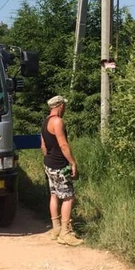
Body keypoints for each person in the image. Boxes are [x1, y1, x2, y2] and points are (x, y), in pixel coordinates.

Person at [41, 95, 81, 246]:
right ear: (60, 106)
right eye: (64, 106)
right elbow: (63, 145)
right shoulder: (58, 122)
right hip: (59, 165)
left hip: (49, 163)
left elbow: (43, 146)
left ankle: (56, 228)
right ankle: (65, 233)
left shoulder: (45, 121)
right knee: (68, 197)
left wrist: (48, 160)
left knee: (54, 194)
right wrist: (72, 163)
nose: (65, 108)